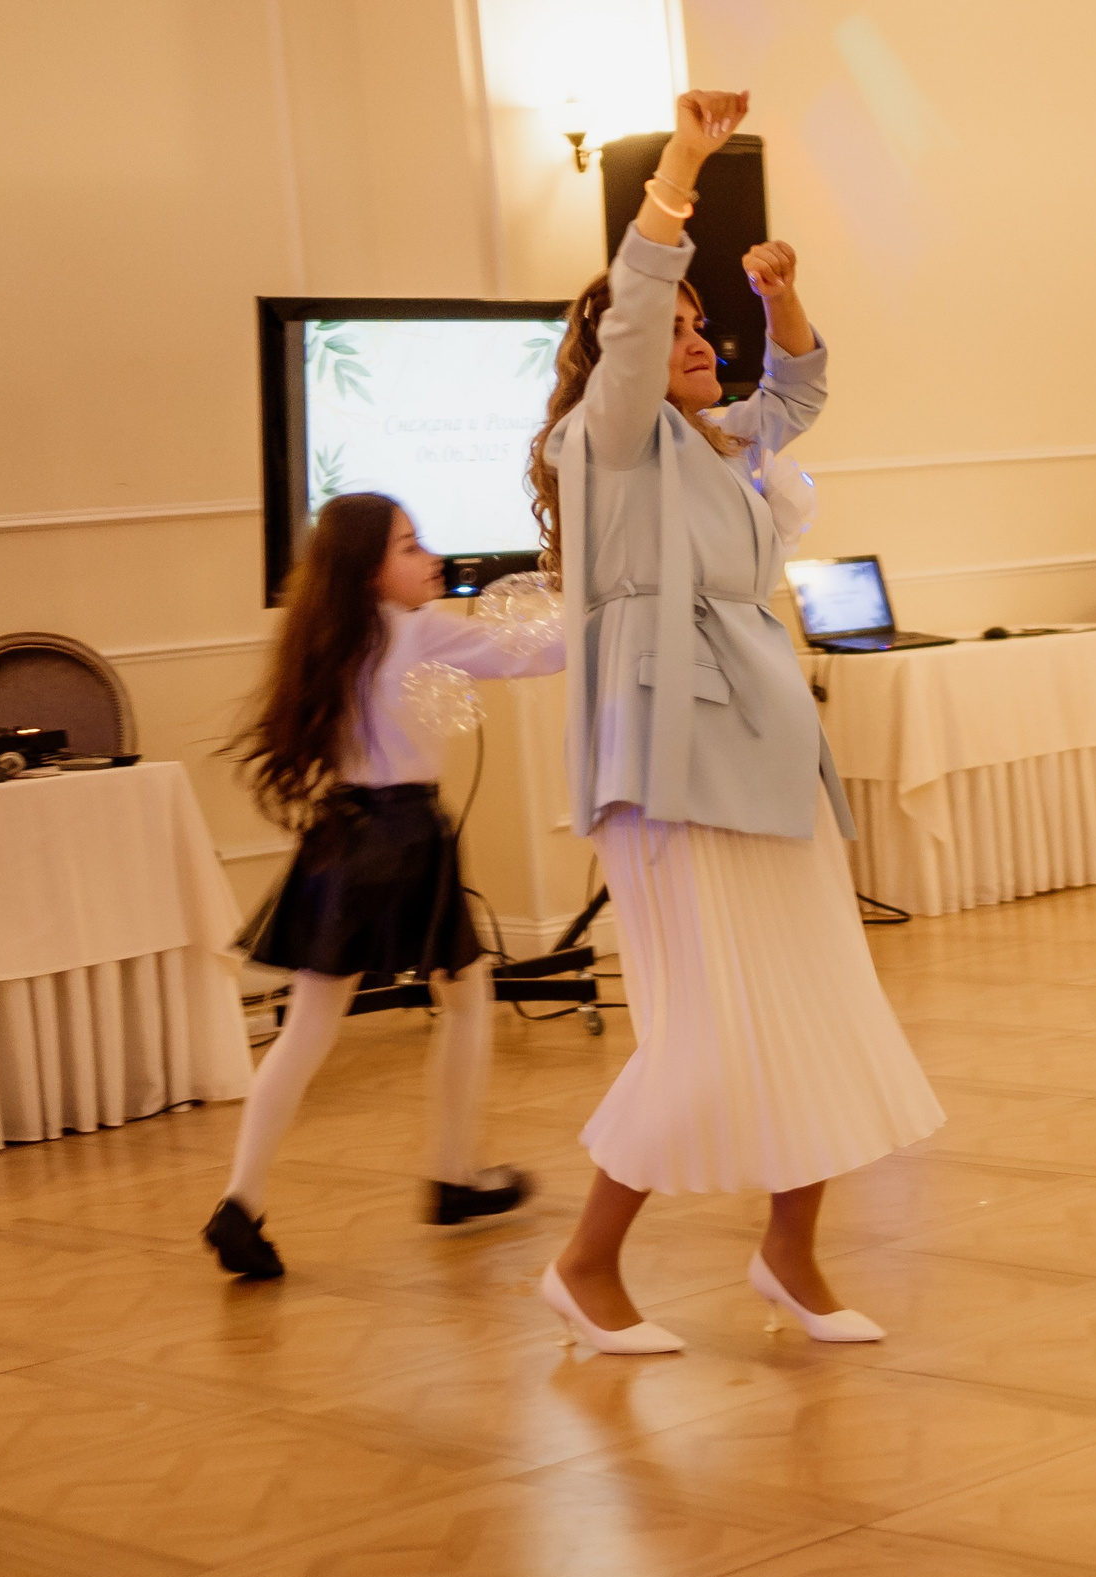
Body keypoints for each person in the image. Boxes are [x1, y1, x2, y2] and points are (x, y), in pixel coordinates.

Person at [527, 88, 943, 1356]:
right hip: (672, 764)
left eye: (704, 325)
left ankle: (790, 1255)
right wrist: (683, 166)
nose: (697, 338)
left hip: (767, 752)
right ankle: (585, 1266)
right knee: (707, 1035)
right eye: (676, 326)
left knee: (813, 1004)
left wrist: (783, 299)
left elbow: (800, 392)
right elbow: (639, 301)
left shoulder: (712, 442)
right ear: (620, 353)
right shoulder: (602, 443)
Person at [205, 494, 559, 1278]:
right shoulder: (415, 629)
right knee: (465, 996)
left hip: (339, 834)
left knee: (312, 1026)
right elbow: (535, 652)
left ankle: (241, 1200)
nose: (430, 557)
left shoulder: (324, 637)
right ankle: (454, 1175)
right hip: (403, 835)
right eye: (410, 546)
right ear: (370, 569)